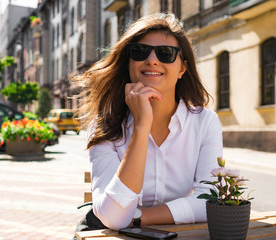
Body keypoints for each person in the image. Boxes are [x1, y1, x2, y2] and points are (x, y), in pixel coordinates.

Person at [74, 13, 223, 232]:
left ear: (182, 68)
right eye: (140, 51)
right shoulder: (104, 126)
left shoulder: (205, 122)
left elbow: (211, 201)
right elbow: (113, 219)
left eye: (166, 53)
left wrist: (137, 217)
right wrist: (141, 127)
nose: (152, 59)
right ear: (129, 63)